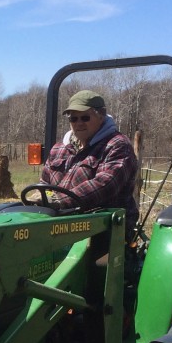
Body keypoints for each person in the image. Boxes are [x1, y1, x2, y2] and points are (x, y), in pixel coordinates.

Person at [40, 89, 141, 234]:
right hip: (58, 226)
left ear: (101, 115)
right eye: (73, 119)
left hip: (104, 228)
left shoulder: (117, 145)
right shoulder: (59, 148)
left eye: (85, 117)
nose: (79, 123)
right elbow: (44, 183)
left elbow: (105, 184)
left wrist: (60, 200)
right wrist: (41, 197)